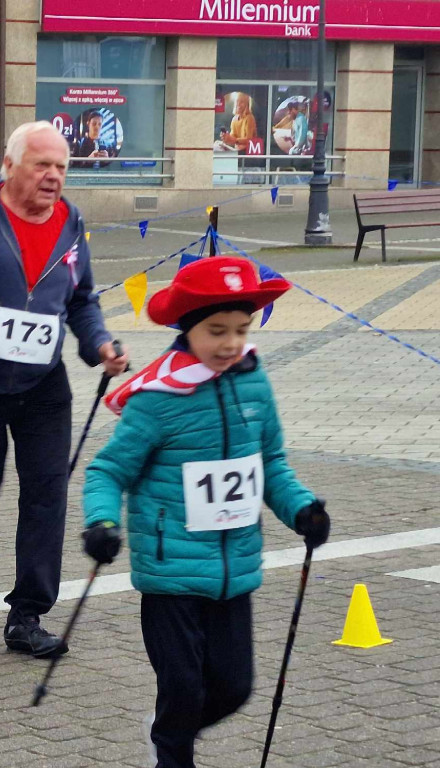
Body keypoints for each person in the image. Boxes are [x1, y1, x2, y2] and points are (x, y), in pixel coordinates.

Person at [80, 256, 331, 768]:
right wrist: (102, 523)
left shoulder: (254, 383)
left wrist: (302, 509)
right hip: (170, 574)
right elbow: (107, 471)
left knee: (234, 687)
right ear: (187, 328)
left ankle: (167, 734)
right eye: (216, 330)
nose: (230, 343)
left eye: (240, 329)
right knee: (183, 685)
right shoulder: (158, 399)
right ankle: (172, 753)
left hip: (234, 572)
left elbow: (271, 465)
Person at [0, 121, 129, 658]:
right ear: (10, 167)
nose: (54, 176)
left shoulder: (70, 221)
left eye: (61, 166)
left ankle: (27, 615)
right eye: (43, 165)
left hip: (43, 381)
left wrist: (99, 344)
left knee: (46, 491)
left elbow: (81, 298)